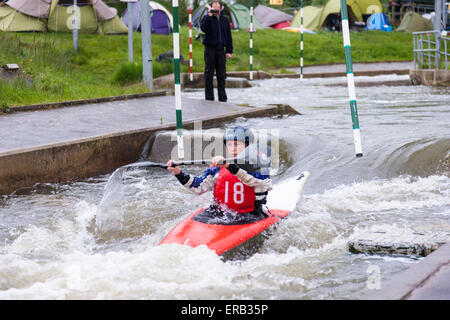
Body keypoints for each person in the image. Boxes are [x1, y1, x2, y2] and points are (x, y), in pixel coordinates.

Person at [166, 127, 272, 225]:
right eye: (229, 145)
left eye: (237, 144)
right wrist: (178, 173)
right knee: (197, 220)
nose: (233, 149)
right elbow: (198, 187)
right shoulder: (218, 168)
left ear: (248, 146)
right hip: (221, 212)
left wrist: (230, 166)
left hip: (249, 214)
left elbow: (255, 181)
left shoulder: (258, 167)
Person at [200, 0, 233, 102]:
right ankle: (209, 98)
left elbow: (228, 36)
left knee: (222, 75)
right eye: (213, 7)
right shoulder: (207, 18)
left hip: (221, 50)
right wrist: (209, 16)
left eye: (217, 7)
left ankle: (222, 98)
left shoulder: (225, 20)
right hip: (210, 50)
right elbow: (204, 29)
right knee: (209, 74)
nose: (215, 9)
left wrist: (229, 51)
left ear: (221, 8)